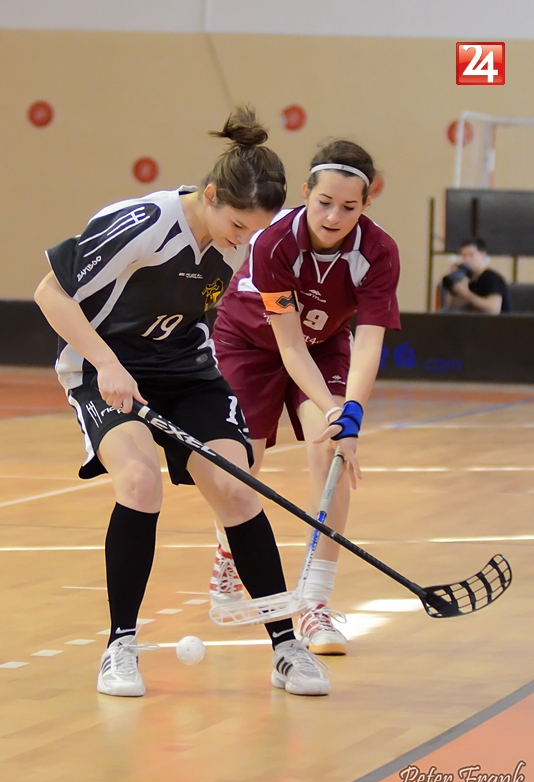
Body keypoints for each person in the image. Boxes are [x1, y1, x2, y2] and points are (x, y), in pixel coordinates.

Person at [34, 106, 331, 698]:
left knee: (237, 488)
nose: (242, 240)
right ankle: (120, 647)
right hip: (105, 370)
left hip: (187, 374)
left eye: (252, 232)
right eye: (237, 225)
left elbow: (219, 315)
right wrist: (108, 364)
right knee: (140, 481)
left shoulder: (234, 243)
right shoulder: (142, 222)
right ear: (212, 194)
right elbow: (50, 293)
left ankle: (285, 647)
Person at [208, 138, 401, 655]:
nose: (335, 216)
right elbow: (289, 344)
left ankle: (315, 603)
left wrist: (349, 414)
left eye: (350, 207)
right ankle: (227, 551)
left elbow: (369, 342)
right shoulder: (274, 242)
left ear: (366, 205)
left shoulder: (378, 252)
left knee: (331, 446)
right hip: (250, 342)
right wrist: (335, 406)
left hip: (326, 344)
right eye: (325, 202)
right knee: (242, 463)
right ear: (305, 193)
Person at [440, 237, 512, 314]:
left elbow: (493, 309)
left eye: (471, 255)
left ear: (483, 255)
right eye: (464, 256)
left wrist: (465, 293)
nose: (467, 260)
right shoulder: (468, 278)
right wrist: (453, 286)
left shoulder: (492, 278)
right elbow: (453, 305)